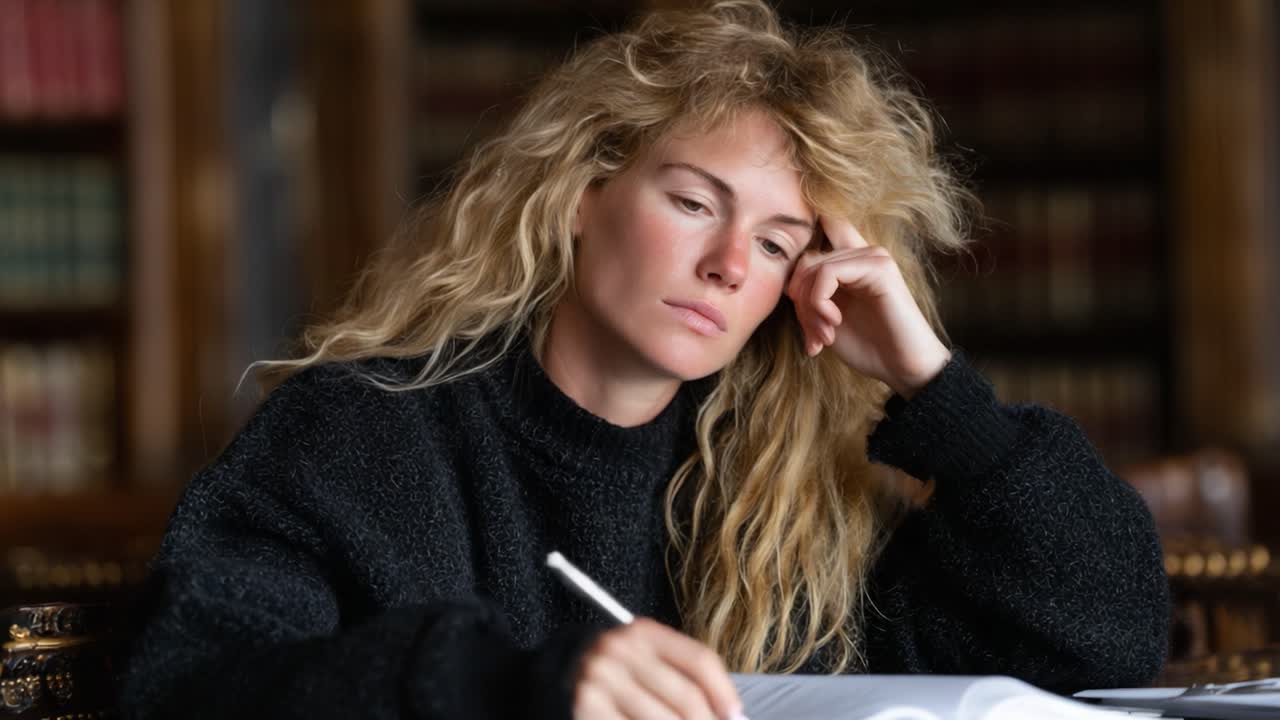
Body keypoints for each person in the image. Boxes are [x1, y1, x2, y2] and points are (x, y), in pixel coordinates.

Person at [117, 2, 1169, 719]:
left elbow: (1107, 635)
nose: (724, 265)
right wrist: (514, 689)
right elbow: (187, 685)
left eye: (773, 243)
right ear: (579, 195)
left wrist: (938, 389)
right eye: (691, 203)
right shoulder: (366, 432)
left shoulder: (786, 478)